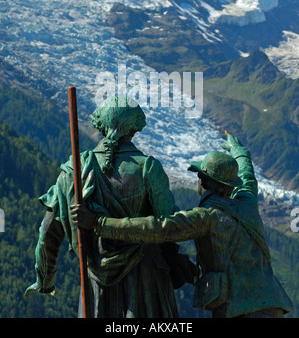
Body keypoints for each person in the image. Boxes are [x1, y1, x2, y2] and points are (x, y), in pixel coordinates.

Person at [72, 132, 293, 318]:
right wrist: (239, 150)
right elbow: (247, 173)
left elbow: (156, 228)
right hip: (273, 303)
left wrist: (98, 223)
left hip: (239, 310)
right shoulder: (248, 202)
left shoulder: (205, 217)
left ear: (202, 181)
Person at [25, 95, 195, 318]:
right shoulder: (148, 169)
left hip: (95, 282)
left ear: (101, 127)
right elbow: (171, 228)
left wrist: (44, 281)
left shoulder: (73, 172)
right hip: (147, 282)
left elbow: (48, 232)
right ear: (133, 129)